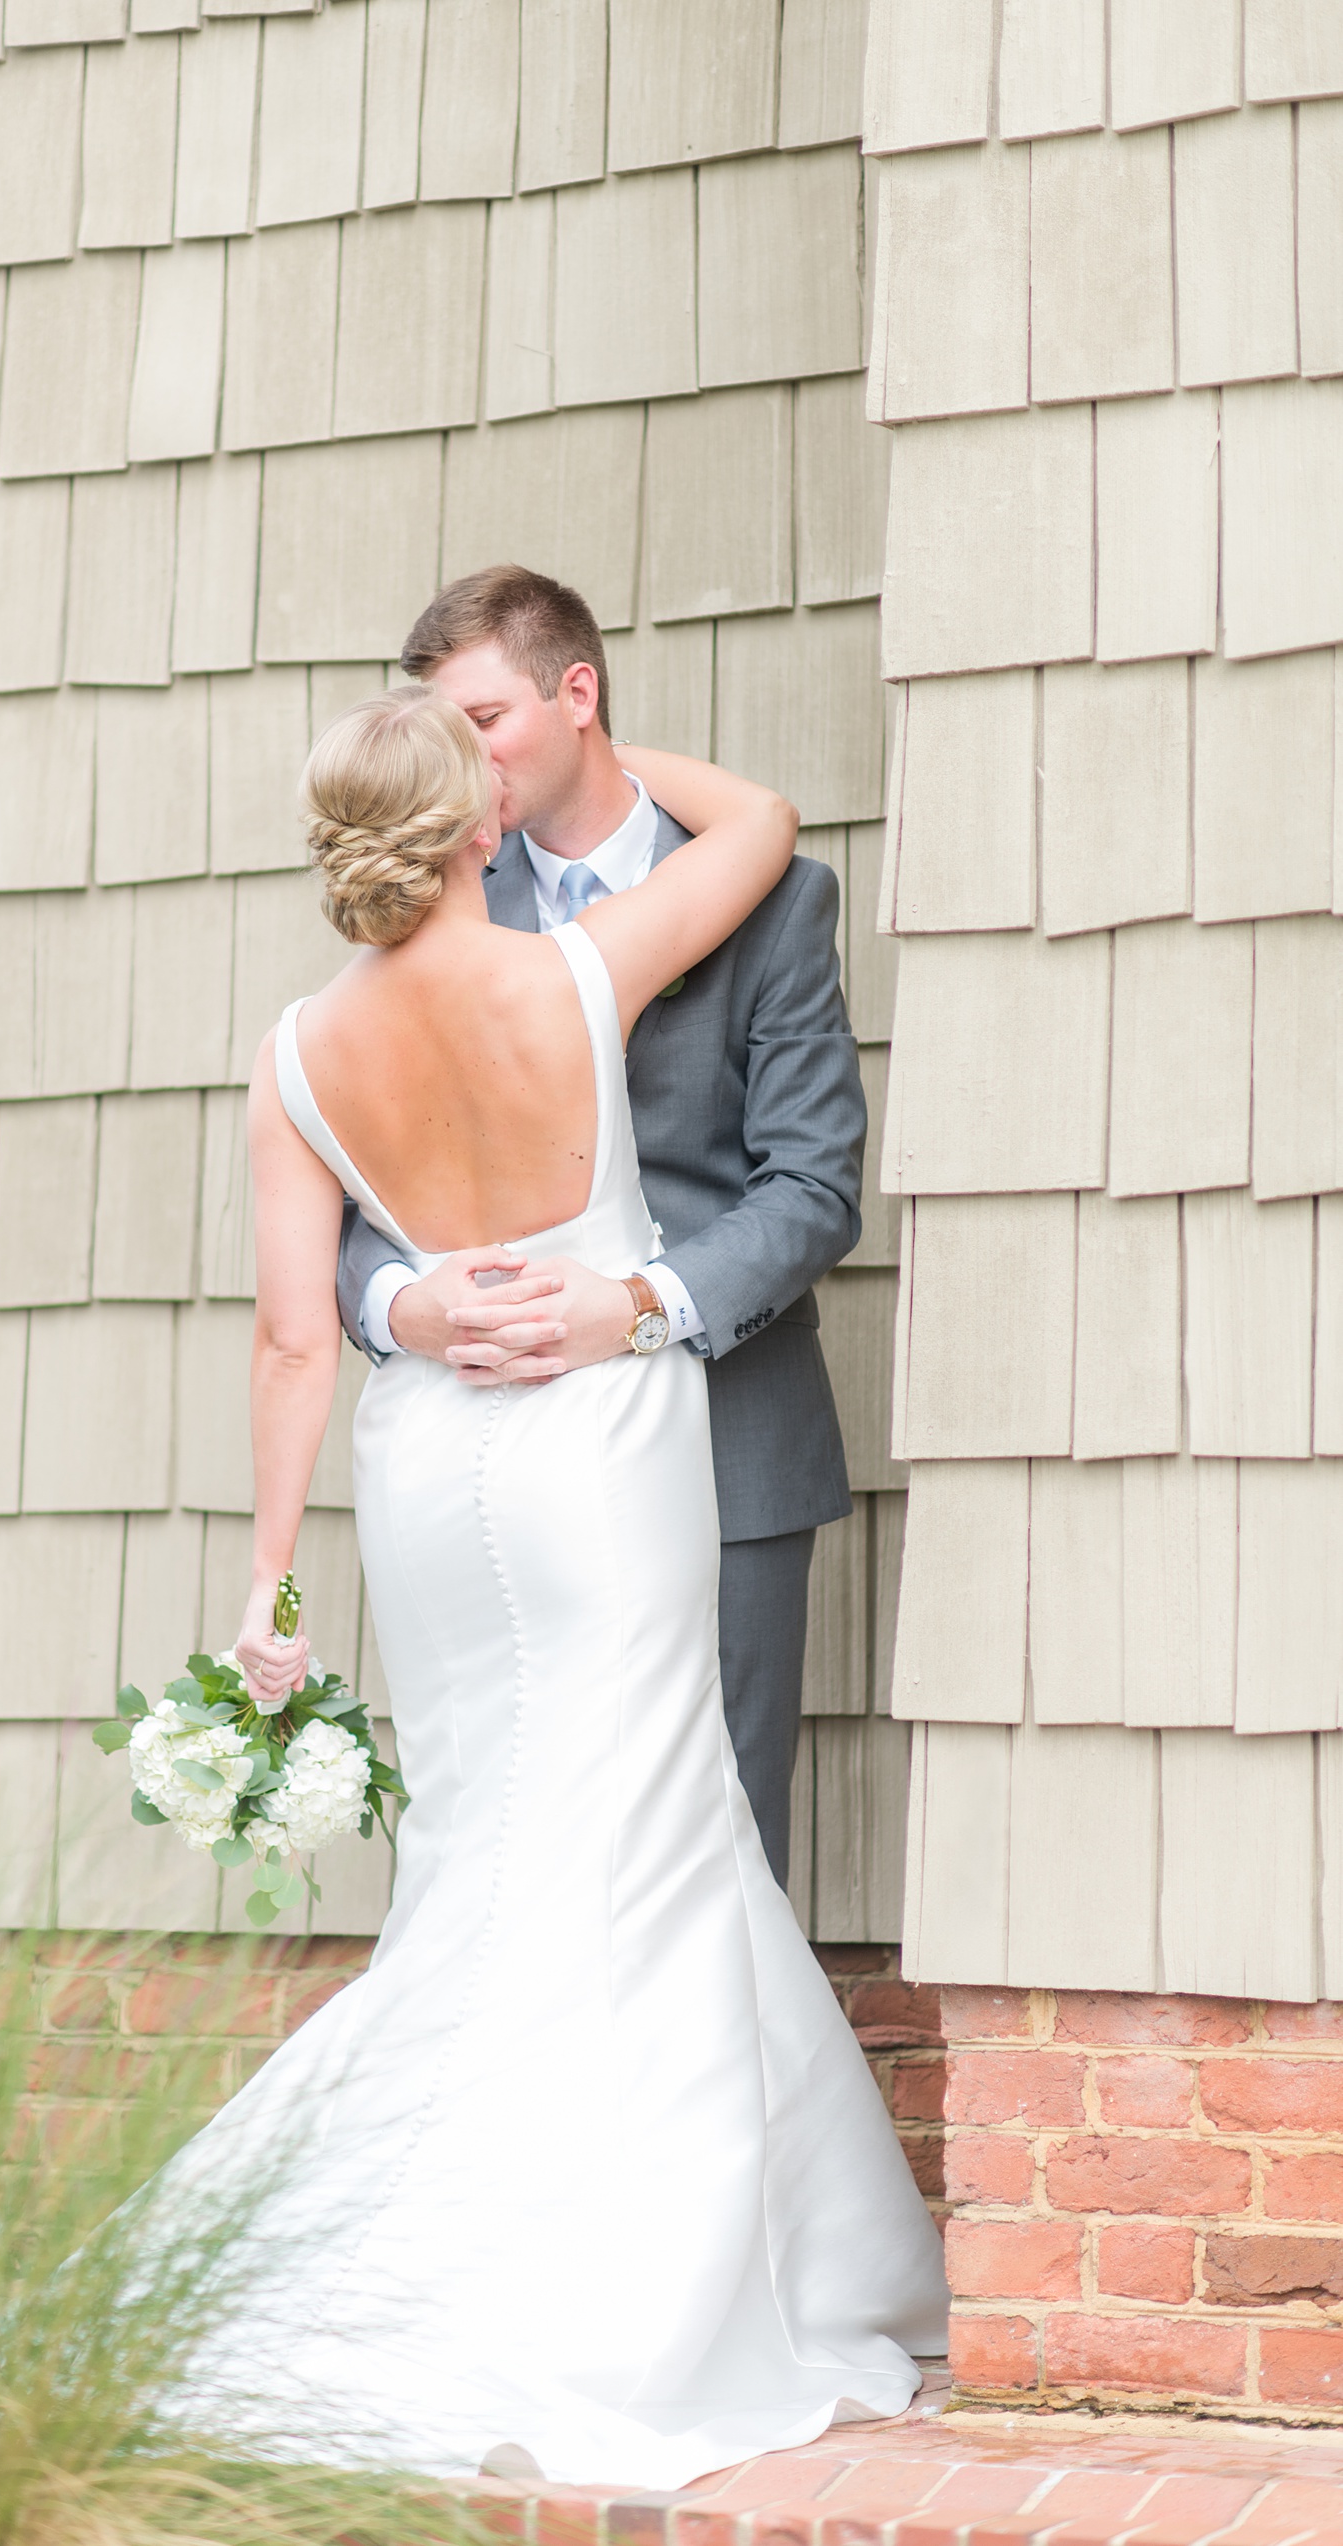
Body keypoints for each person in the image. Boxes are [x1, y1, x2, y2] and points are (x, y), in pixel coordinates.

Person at [138, 683, 947, 2486]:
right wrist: (582, 742)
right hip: (597, 1446)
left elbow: (293, 1341)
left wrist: (269, 1590)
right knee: (651, 1837)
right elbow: (764, 815)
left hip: (428, 1458)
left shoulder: (293, 1055)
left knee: (487, 1854)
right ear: (473, 830)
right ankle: (636, 2281)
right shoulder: (581, 974)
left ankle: (398, 2238)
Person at [337, 566, 865, 1893]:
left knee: (719, 1860)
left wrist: (631, 1308)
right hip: (507, 1472)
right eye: (437, 728)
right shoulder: (434, 905)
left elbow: (811, 1186)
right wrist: (409, 1309)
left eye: (486, 718)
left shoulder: (770, 897)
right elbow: (356, 1203)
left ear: (579, 693)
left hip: (725, 1447)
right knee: (520, 1854)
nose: (462, 760)